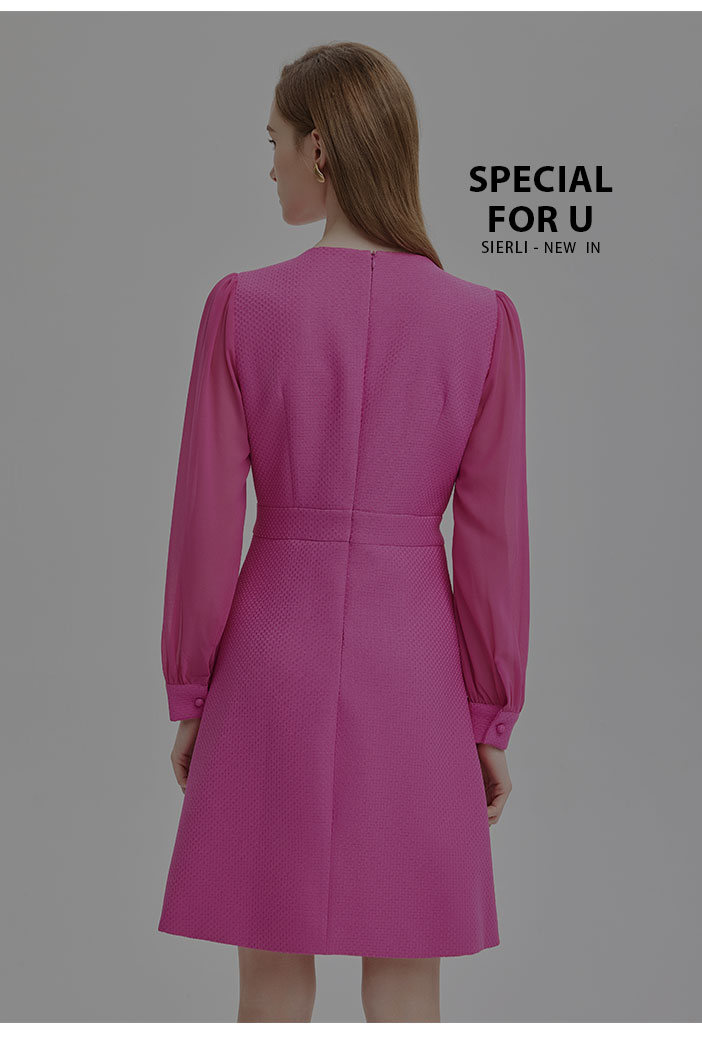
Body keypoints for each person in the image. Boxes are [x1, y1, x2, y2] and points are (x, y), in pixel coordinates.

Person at [157, 41, 530, 1023]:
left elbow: (205, 522)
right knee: (407, 982)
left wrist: (193, 692)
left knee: (270, 979)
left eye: (275, 141)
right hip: (416, 669)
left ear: (318, 148)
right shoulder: (481, 321)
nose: (270, 163)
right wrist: (488, 714)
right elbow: (493, 542)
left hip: (269, 661)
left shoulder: (242, 307)